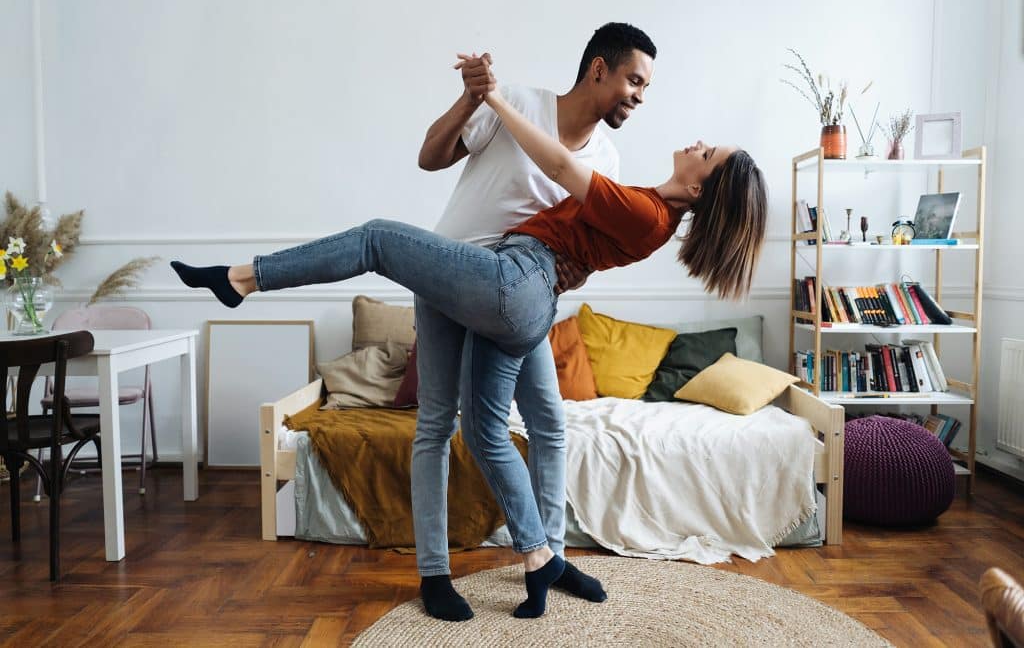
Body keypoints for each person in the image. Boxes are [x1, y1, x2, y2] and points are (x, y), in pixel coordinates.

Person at [171, 58, 767, 619]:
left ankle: (242, 278)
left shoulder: (645, 211)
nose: (694, 142)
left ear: (699, 191)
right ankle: (538, 558)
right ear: (598, 70)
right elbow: (448, 162)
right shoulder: (649, 204)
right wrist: (484, 102)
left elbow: (560, 169)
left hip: (514, 283)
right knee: (481, 431)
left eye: (706, 153)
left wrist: (498, 100)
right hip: (507, 285)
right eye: (637, 81)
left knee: (377, 237)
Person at [411, 22, 655, 622]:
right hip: (452, 273)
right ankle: (434, 574)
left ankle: (546, 560)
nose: (639, 96)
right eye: (633, 80)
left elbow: (585, 245)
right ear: (598, 68)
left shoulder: (608, 157)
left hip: (517, 298)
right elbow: (429, 157)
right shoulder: (516, 102)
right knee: (437, 425)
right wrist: (471, 97)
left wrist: (570, 277)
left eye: (644, 87)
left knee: (549, 420)